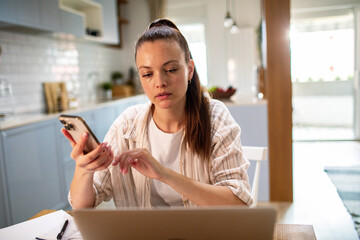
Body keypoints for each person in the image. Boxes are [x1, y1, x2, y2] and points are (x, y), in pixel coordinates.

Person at [62, 19, 253, 209]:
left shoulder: (216, 118)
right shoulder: (127, 125)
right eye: (147, 74)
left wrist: (165, 174)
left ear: (189, 70)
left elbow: (238, 203)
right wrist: (84, 169)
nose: (159, 82)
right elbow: (82, 205)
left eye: (170, 69)